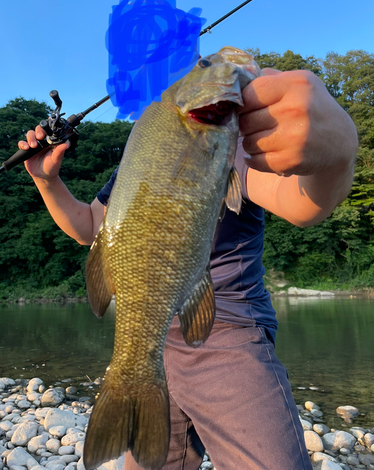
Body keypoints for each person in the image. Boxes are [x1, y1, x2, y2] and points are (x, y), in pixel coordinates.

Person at [20, 67, 358, 470]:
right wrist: (46, 181)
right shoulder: (143, 158)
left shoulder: (237, 146)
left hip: (227, 332)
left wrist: (339, 151)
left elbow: (303, 206)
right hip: (155, 337)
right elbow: (91, 228)